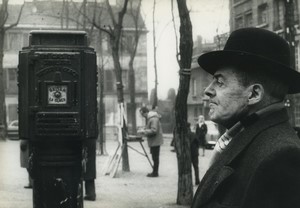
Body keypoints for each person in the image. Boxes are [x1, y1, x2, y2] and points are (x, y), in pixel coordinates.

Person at [191, 28, 300, 208]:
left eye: (219, 82)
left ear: (254, 94)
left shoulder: (281, 157)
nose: (207, 90)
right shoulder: (243, 137)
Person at [138, 106, 164, 177]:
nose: (143, 116)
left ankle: (155, 173)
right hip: (154, 141)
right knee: (154, 157)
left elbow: (154, 130)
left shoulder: (153, 119)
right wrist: (145, 129)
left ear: (146, 112)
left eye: (143, 115)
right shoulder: (151, 118)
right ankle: (155, 171)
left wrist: (144, 131)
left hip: (155, 141)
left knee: (155, 157)